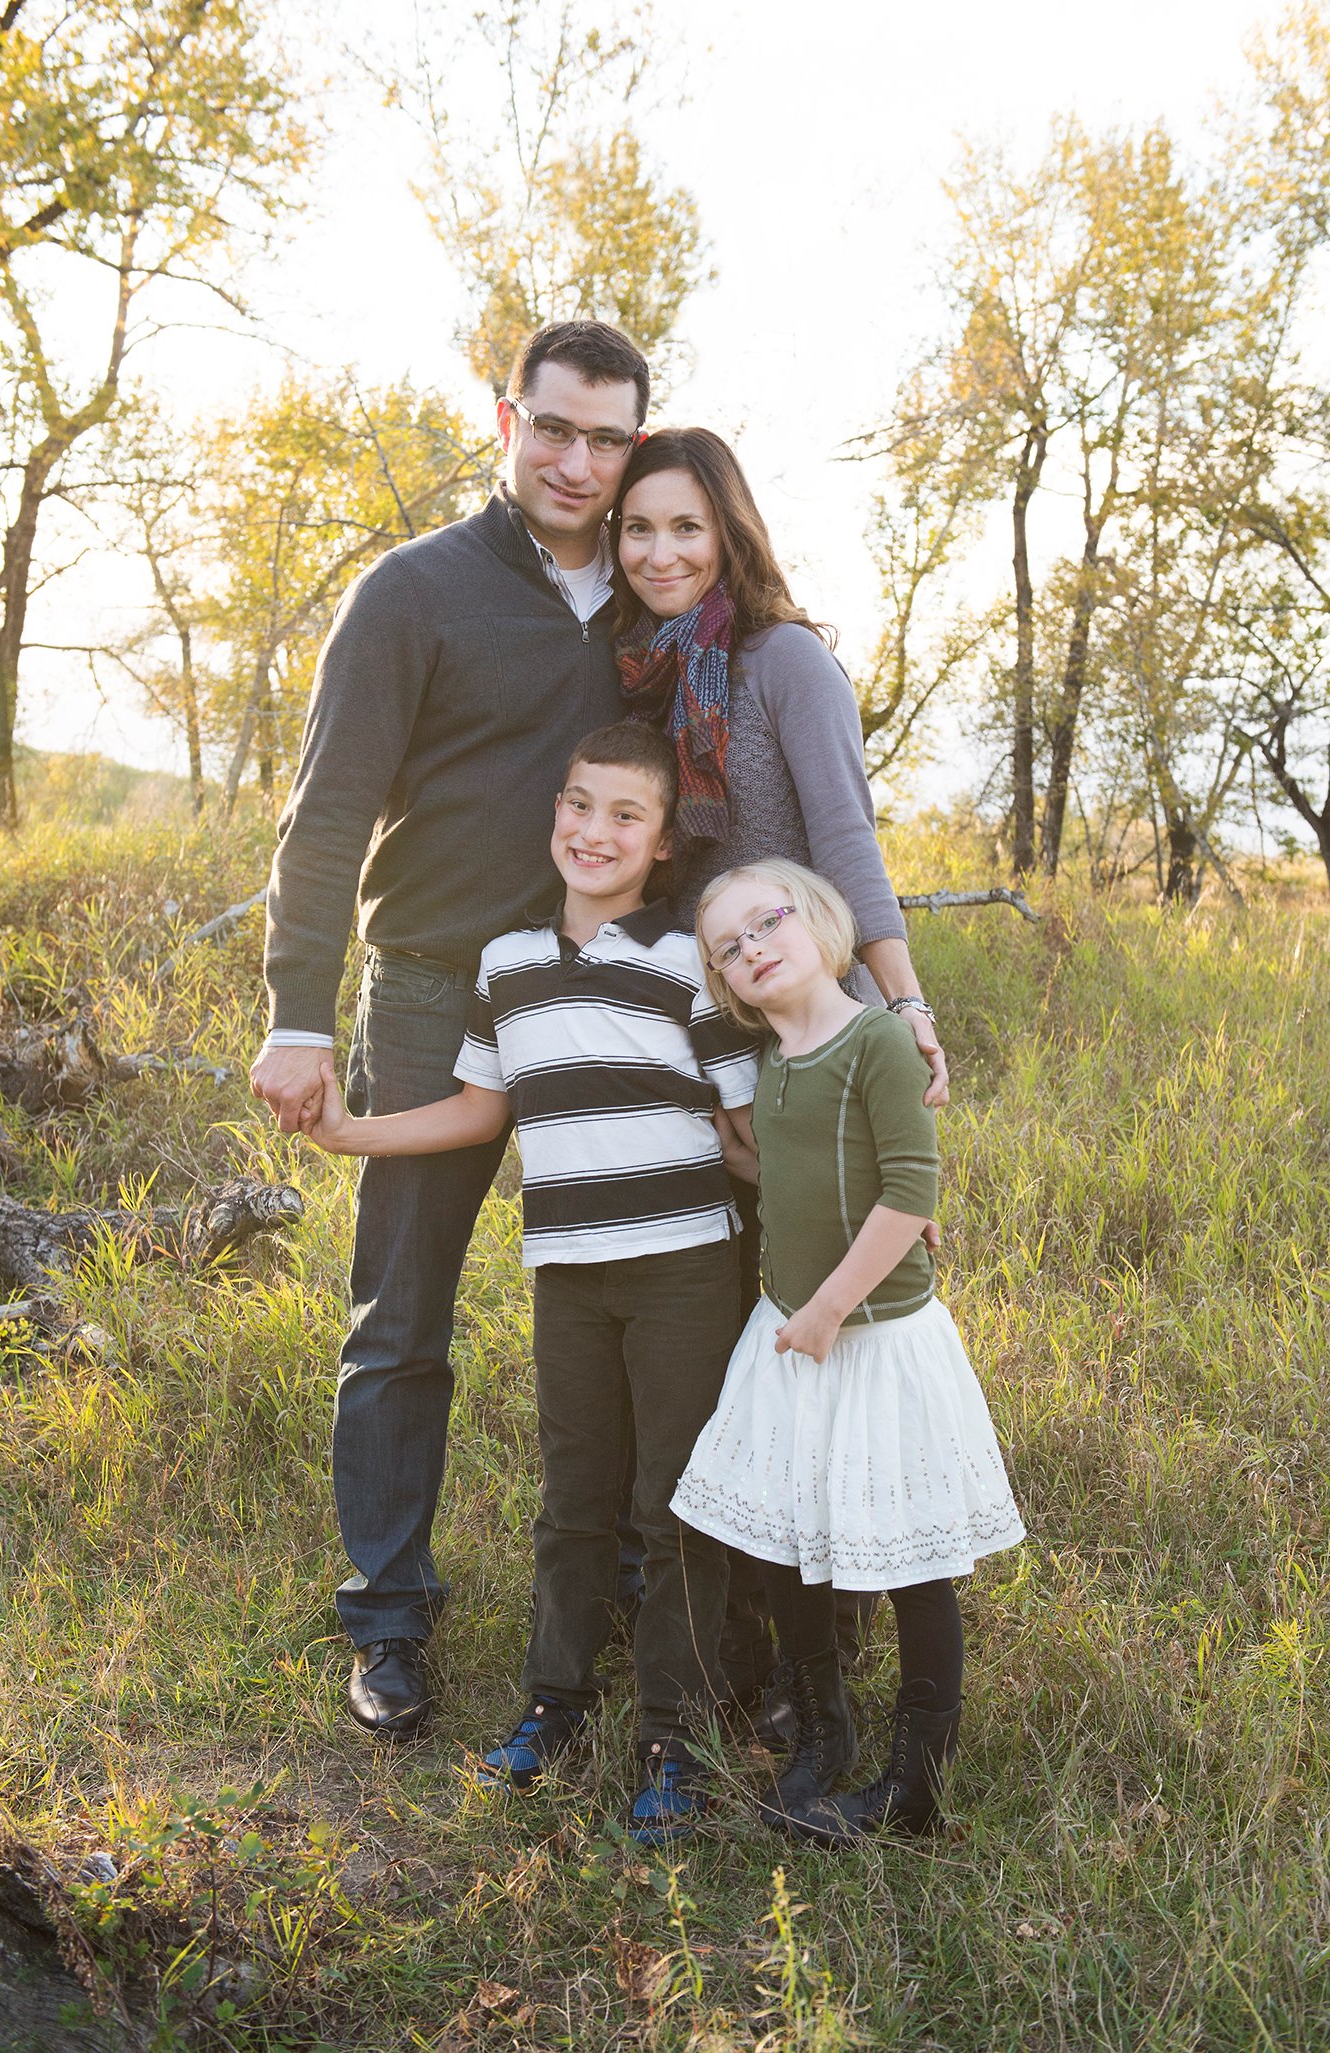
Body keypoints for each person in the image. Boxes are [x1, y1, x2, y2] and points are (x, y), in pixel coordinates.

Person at [249, 321, 652, 1742]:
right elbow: (325, 815)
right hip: (426, 987)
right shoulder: (409, 593)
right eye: (553, 427)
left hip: (602, 998)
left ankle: (616, 1592)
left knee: (620, 1299)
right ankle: (386, 1619)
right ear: (503, 419)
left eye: (606, 438)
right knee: (402, 1316)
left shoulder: (656, 600)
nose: (576, 462)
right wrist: (299, 1015)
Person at [303, 724, 759, 1843]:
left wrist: (846, 1223)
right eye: (577, 804)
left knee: (670, 1508)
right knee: (572, 1502)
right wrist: (348, 1130)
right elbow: (477, 1109)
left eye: (623, 816)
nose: (592, 831)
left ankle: (672, 1735)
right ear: (551, 811)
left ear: (660, 845)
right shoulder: (504, 963)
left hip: (686, 1269)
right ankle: (551, 1701)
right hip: (568, 1275)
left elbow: (744, 1128)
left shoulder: (685, 959)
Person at [610, 425, 949, 1715]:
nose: (658, 551)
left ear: (729, 531)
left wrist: (900, 1002)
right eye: (638, 529)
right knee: (746, 1332)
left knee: (839, 1327)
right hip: (712, 1040)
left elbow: (848, 839)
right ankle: (744, 1627)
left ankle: (845, 1625)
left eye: (685, 527)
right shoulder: (641, 672)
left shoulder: (781, 660)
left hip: (818, 1035)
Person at [673, 859, 1025, 1842]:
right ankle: (822, 1733)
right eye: (728, 948)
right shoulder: (774, 1066)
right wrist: (726, 1148)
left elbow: (909, 1194)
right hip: (792, 1333)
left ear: (819, 921)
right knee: (789, 1536)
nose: (751, 949)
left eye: (765, 923)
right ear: (723, 982)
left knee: (915, 1565)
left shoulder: (876, 1040)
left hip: (869, 1340)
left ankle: (913, 1785)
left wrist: (827, 1308)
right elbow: (781, 1167)